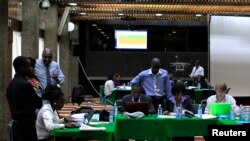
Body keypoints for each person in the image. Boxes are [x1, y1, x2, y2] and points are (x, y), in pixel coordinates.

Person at [6, 56, 42, 141]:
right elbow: (38, 103)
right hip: (27, 126)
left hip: (16, 125)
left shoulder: (11, 84)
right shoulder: (25, 84)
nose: (31, 68)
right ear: (22, 67)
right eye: (28, 66)